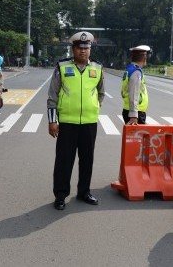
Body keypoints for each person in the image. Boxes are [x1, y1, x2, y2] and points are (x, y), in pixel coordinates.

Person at [47, 31, 105, 210]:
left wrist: (94, 107)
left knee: (87, 160)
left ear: (90, 49)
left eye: (86, 48)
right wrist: (52, 121)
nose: (83, 51)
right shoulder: (62, 67)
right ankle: (61, 195)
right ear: (73, 49)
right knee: (64, 161)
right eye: (80, 48)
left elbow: (101, 93)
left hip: (89, 123)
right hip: (67, 123)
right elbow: (52, 96)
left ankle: (84, 192)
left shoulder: (97, 68)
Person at [121, 45, 151, 125]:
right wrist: (134, 115)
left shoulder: (130, 68)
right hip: (136, 112)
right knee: (138, 137)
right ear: (144, 58)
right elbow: (134, 93)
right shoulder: (136, 71)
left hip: (129, 110)